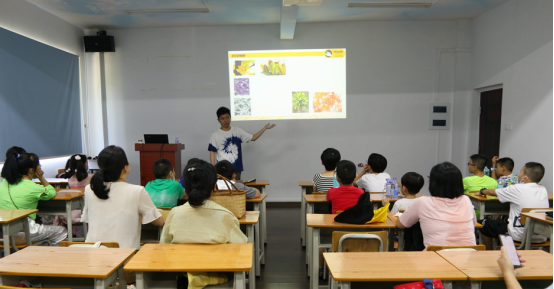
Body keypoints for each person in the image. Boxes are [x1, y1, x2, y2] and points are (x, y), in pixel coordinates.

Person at [161, 159, 246, 289]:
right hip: (218, 278)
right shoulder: (226, 215)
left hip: (183, 279)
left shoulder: (174, 214)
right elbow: (240, 249)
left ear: (185, 189)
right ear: (213, 186)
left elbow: (164, 247)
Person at [82, 145, 163, 249]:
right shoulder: (137, 191)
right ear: (125, 167)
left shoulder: (89, 189)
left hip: (92, 253)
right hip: (123, 256)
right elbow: (159, 221)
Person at [396, 162, 476, 250]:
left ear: (433, 183)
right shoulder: (466, 200)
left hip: (436, 258)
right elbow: (474, 224)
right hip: (468, 257)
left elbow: (401, 224)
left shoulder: (423, 202)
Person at [476, 162, 549, 250]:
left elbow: (492, 192)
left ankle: (489, 253)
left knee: (483, 223)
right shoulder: (543, 190)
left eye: (521, 172)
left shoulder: (516, 188)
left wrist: (482, 191)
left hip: (519, 235)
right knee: (503, 222)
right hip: (541, 236)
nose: (519, 174)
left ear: (525, 177)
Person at [0, 152, 67, 245]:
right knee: (61, 231)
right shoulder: (33, 187)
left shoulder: (4, 183)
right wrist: (41, 177)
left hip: (3, 233)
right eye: (38, 165)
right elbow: (52, 192)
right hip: (22, 233)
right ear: (32, 170)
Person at [208, 106, 276, 180]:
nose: (226, 120)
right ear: (218, 120)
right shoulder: (215, 135)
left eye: (227, 117)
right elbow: (212, 152)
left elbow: (253, 137)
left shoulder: (237, 131)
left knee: (236, 189)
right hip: (221, 170)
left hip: (235, 169)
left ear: (230, 117)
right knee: (223, 190)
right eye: (223, 118)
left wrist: (264, 128)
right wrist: (213, 170)